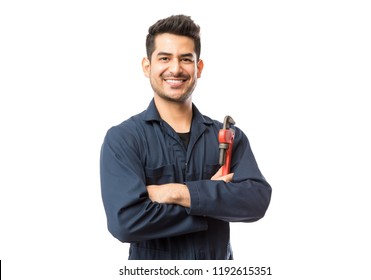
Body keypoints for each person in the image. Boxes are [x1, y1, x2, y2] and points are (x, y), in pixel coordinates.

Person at [100, 14, 272, 260]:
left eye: (185, 59)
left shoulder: (228, 137)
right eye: (164, 58)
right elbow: (125, 222)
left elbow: (256, 201)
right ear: (147, 66)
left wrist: (175, 193)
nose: (175, 69)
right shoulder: (124, 139)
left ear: (198, 68)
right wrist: (212, 200)